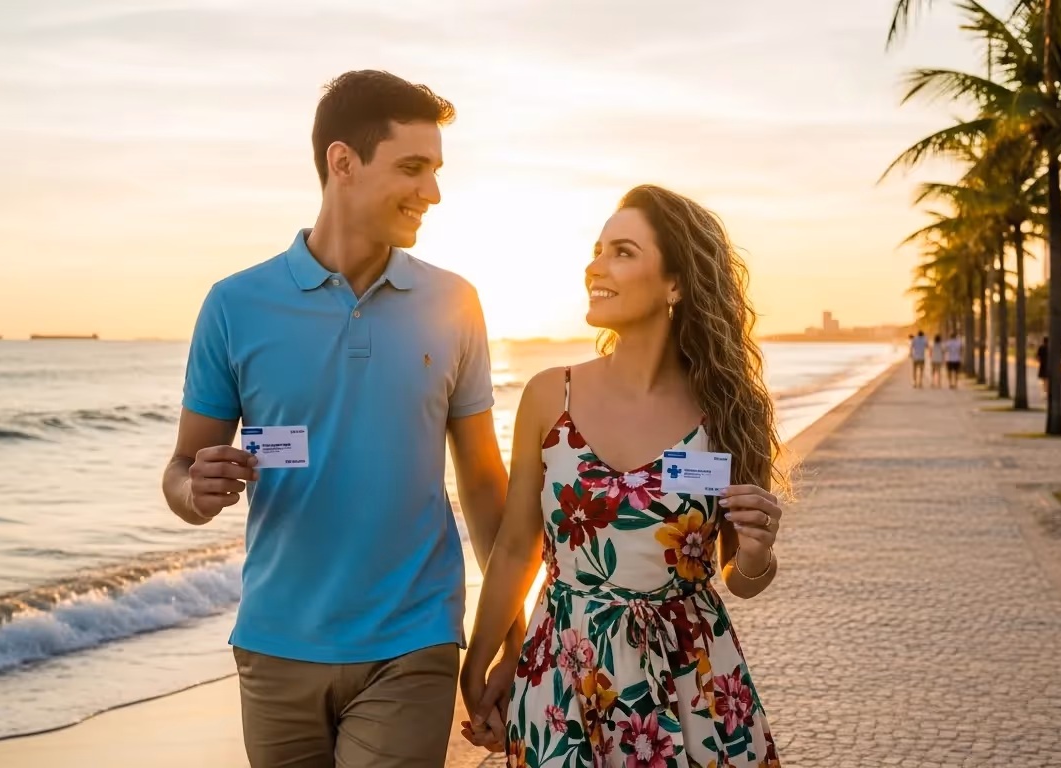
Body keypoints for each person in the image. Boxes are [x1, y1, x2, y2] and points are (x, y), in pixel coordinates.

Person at [162, 70, 523, 768]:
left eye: (437, 170)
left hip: (412, 641)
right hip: (274, 645)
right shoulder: (235, 305)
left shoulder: (454, 303)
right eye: (413, 168)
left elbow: (482, 484)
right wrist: (194, 489)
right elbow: (183, 472)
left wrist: (511, 631)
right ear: (342, 162)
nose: (434, 192)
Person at [458, 186, 784, 767]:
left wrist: (758, 555)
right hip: (564, 673)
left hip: (694, 681)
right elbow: (515, 548)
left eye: (622, 251)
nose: (595, 265)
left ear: (676, 283)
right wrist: (481, 662)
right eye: (597, 249)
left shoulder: (729, 410)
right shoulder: (548, 395)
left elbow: (740, 574)